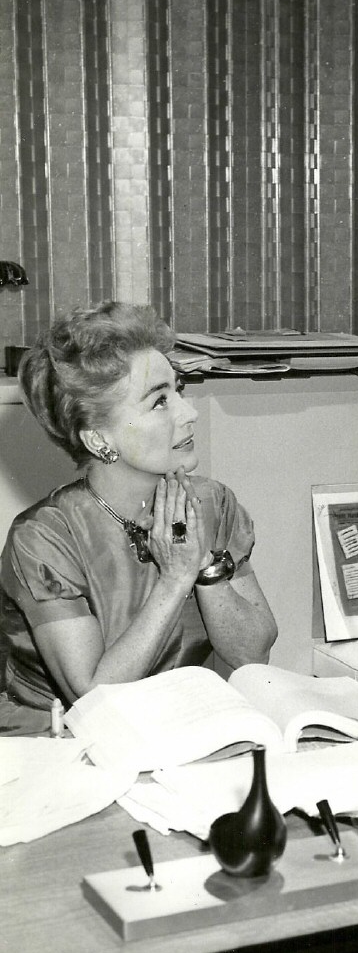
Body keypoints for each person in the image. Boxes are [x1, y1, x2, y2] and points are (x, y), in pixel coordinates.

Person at [0, 302, 278, 733]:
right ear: (98, 438)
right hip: (60, 748)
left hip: (178, 729)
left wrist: (203, 565)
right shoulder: (43, 538)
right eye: (159, 402)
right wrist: (174, 579)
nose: (189, 412)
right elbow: (94, 698)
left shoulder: (211, 502)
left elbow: (252, 654)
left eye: (178, 390)